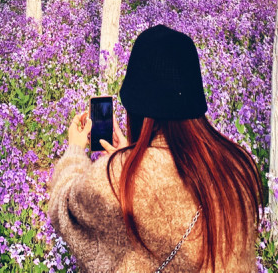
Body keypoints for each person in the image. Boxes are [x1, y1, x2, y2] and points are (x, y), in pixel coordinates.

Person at [47, 24, 263, 273]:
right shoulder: (236, 165)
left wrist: (75, 150)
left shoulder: (117, 178)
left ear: (137, 108)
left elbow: (64, 210)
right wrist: (132, 155)